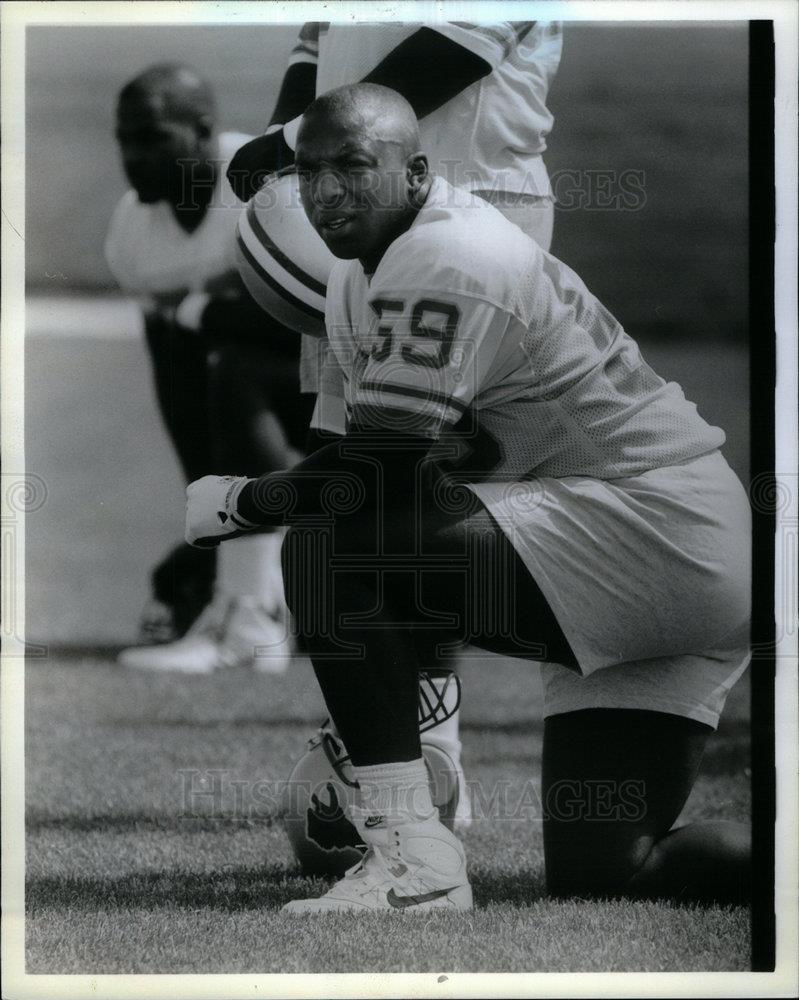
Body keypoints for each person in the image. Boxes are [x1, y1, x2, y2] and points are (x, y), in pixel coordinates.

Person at [187, 85, 751, 912]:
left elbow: (371, 475)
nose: (328, 190)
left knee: (328, 539)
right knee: (610, 872)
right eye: (310, 171)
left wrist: (238, 503)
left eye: (354, 166)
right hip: (660, 560)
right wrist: (395, 712)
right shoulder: (358, 275)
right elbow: (378, 478)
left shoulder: (448, 255)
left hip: (659, 532)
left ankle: (414, 860)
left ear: (415, 172)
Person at [228, 19, 563, 824]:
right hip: (346, 202)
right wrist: (293, 168)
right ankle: (393, 740)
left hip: (471, 196)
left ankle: (431, 738)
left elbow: (452, 48)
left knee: (410, 475)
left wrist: (284, 142)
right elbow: (316, 38)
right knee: (345, 458)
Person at [105, 63, 312, 672]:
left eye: (151, 138)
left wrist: (199, 309)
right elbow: (175, 374)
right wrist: (212, 521)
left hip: (347, 390)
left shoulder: (266, 191)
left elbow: (313, 328)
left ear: (202, 130)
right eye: (124, 140)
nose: (132, 157)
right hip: (258, 406)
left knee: (238, 367)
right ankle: (253, 599)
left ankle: (258, 612)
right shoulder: (130, 236)